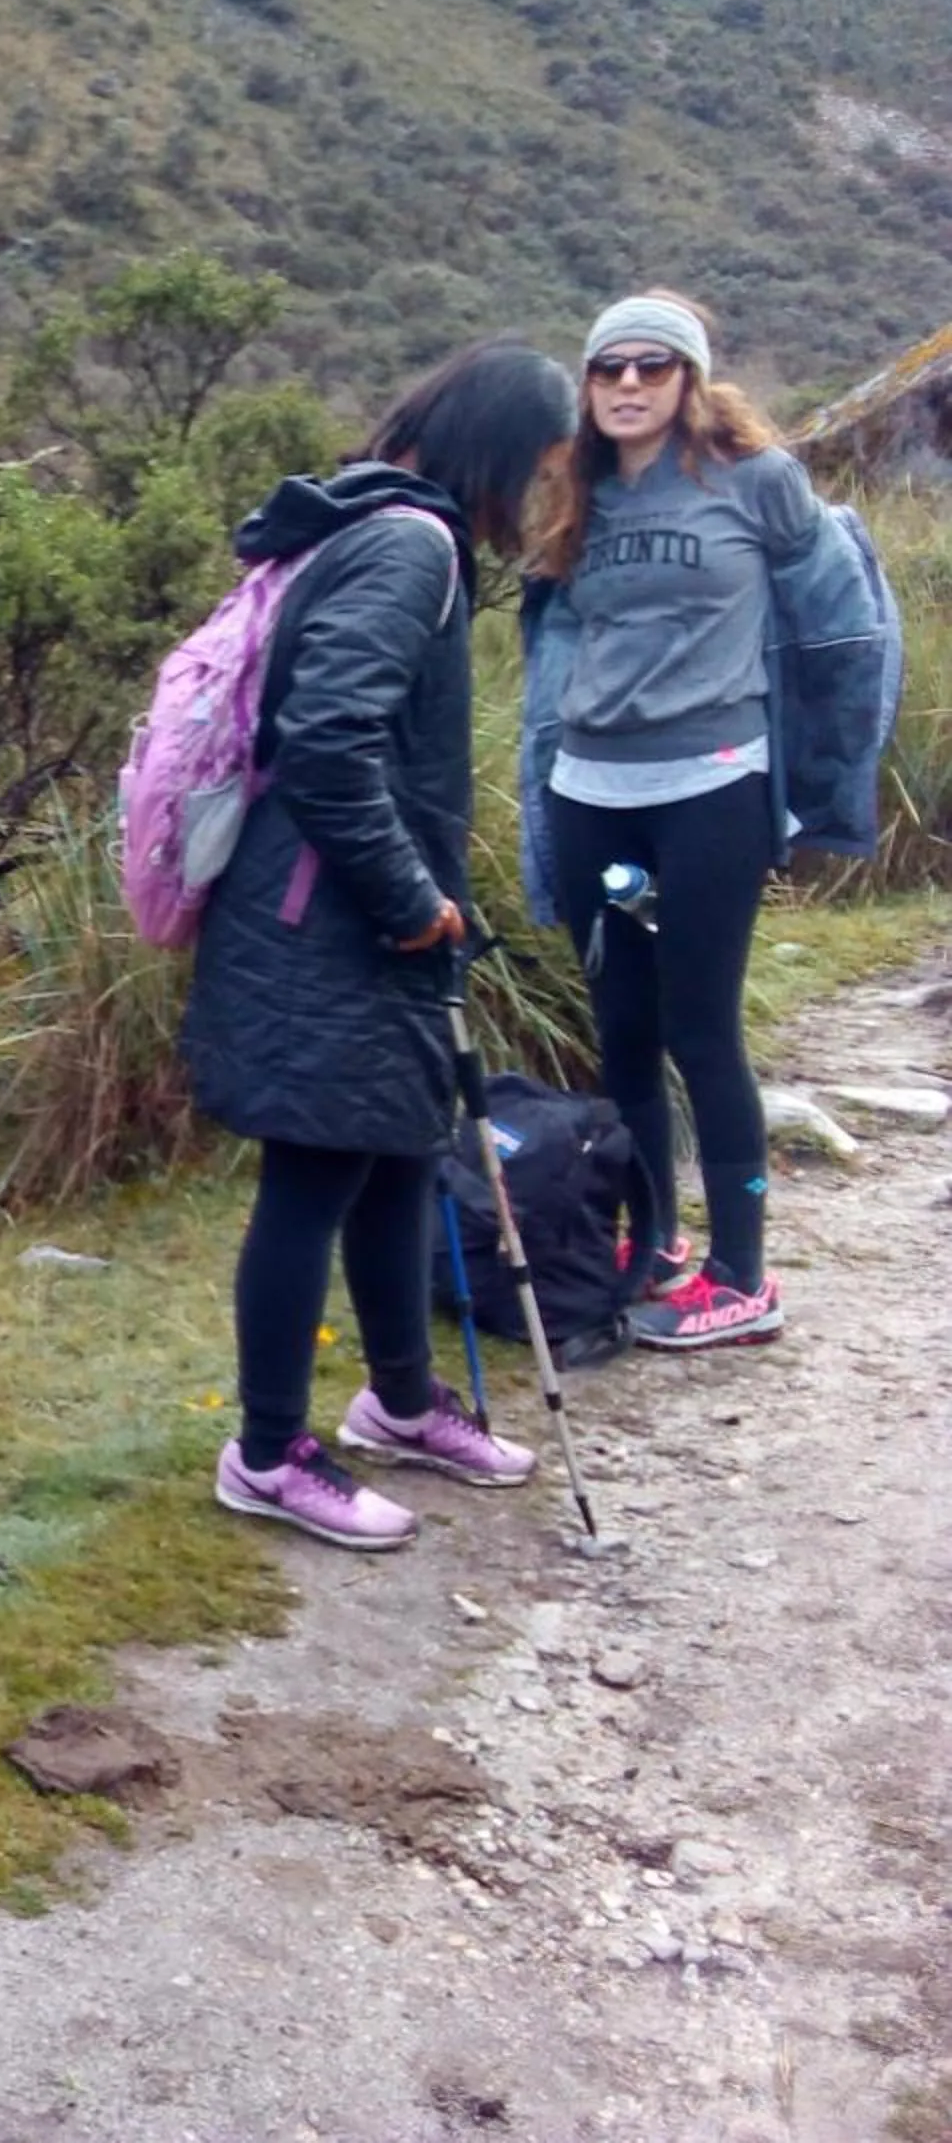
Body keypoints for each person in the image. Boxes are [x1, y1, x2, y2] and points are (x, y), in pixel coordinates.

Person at [182, 340, 577, 1552]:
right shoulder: (411, 547)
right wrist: (410, 899)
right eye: (547, 467)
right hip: (330, 919)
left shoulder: (380, 526)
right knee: (311, 1177)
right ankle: (265, 1452)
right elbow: (329, 741)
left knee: (403, 1150)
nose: (548, 495)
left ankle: (400, 1403)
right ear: (502, 455)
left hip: (349, 916)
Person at [518, 292, 883, 1352]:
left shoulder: (756, 483)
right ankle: (651, 1244)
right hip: (593, 800)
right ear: (588, 388)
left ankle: (742, 1275)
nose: (628, 384)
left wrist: (820, 777)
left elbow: (840, 624)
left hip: (711, 793)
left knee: (701, 1028)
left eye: (652, 366)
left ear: (690, 380)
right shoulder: (577, 495)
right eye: (608, 369)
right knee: (623, 1027)